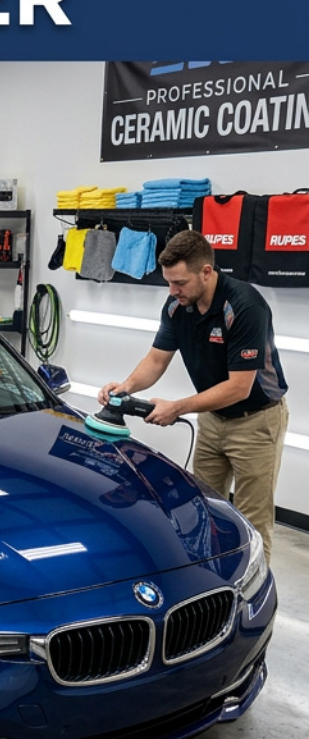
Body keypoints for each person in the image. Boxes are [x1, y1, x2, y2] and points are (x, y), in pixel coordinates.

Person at [99, 229, 290, 563]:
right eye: (169, 283)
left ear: (206, 272)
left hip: (256, 423)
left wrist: (178, 407)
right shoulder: (176, 305)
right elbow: (157, 359)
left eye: (180, 283)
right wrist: (125, 387)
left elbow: (238, 387)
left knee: (252, 523)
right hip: (213, 419)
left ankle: (252, 603)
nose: (173, 291)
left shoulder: (244, 306)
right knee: (201, 510)